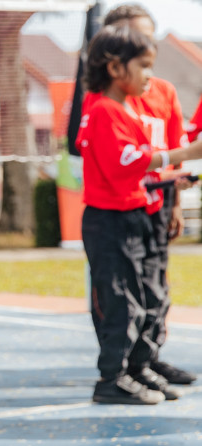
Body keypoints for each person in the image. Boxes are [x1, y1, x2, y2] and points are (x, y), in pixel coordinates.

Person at [77, 24, 202, 405]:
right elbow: (125, 163)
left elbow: (140, 171)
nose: (150, 75)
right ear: (116, 68)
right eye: (144, 66)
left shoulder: (123, 112)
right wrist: (184, 155)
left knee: (143, 299)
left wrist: (171, 179)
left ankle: (135, 369)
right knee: (119, 303)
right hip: (109, 222)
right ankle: (110, 379)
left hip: (133, 217)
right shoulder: (103, 110)